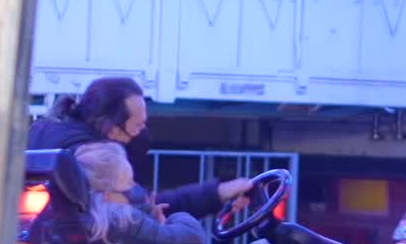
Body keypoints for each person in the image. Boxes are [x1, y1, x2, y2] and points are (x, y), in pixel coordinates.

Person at [75, 141, 292, 244]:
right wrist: (170, 219)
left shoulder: (99, 218)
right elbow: (191, 241)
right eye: (130, 183)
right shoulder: (123, 216)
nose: (137, 189)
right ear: (107, 195)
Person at [28, 77, 255, 225]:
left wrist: (216, 193)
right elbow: (151, 215)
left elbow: (146, 204)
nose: (142, 133)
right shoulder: (97, 162)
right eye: (137, 126)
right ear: (113, 130)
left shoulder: (48, 133)